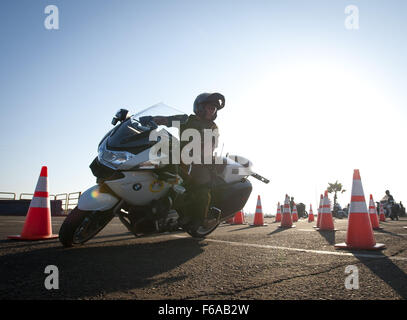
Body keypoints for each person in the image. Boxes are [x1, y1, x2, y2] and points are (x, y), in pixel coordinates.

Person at [153, 92, 225, 229]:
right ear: (199, 107)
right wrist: (150, 120)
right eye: (209, 107)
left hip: (200, 162)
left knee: (201, 186)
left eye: (214, 108)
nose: (212, 110)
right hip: (179, 158)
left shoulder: (212, 127)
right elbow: (166, 120)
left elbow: (212, 144)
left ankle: (201, 220)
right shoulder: (186, 120)